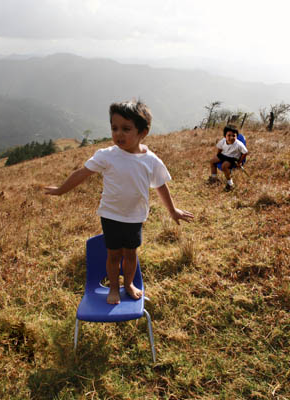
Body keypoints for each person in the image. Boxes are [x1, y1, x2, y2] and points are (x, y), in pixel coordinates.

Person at [44, 100, 194, 305]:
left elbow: (160, 186)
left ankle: (129, 284)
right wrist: (61, 190)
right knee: (114, 255)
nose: (118, 134)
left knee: (131, 255)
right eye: (114, 128)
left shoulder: (151, 160)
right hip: (110, 215)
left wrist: (173, 210)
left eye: (126, 129)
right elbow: (82, 173)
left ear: (143, 132)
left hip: (135, 217)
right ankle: (113, 288)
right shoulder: (107, 156)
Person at [208, 124, 248, 190]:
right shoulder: (222, 141)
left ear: (236, 136)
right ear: (225, 136)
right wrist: (218, 156)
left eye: (234, 136)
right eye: (229, 135)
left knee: (224, 166)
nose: (231, 137)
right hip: (224, 155)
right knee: (212, 161)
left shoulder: (239, 144)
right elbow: (220, 149)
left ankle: (230, 184)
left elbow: (245, 152)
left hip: (233, 158)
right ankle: (214, 178)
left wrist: (240, 162)